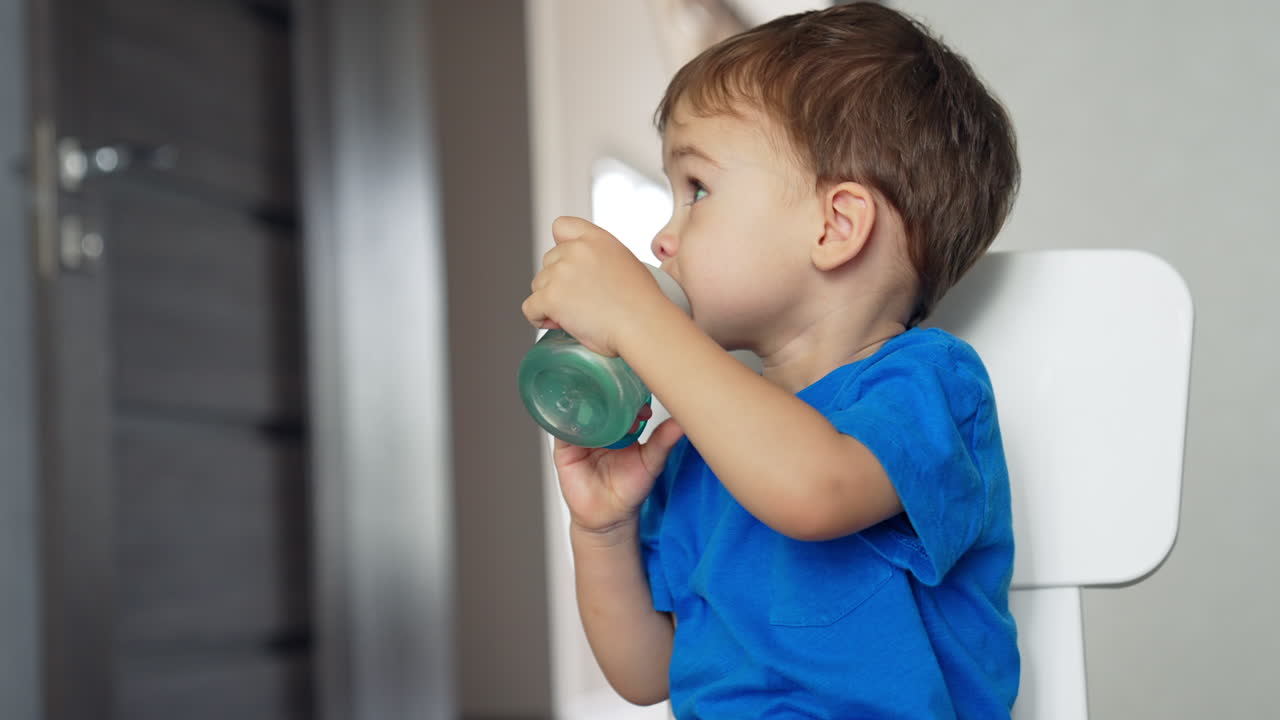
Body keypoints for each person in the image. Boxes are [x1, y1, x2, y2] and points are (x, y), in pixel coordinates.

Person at [521, 2, 1021, 717]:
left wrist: (640, 317)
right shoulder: (697, 442)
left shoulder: (930, 384)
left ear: (835, 226)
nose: (663, 239)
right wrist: (600, 531)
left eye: (697, 190)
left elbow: (813, 490)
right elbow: (647, 673)